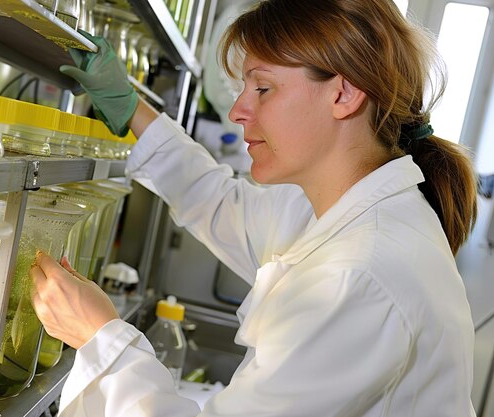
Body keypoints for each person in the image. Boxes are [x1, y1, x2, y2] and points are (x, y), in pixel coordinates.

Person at [29, 0, 479, 415]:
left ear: (344, 95)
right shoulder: (334, 211)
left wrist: (101, 338)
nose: (239, 111)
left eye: (263, 88)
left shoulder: (360, 275)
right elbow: (216, 200)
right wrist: (130, 108)